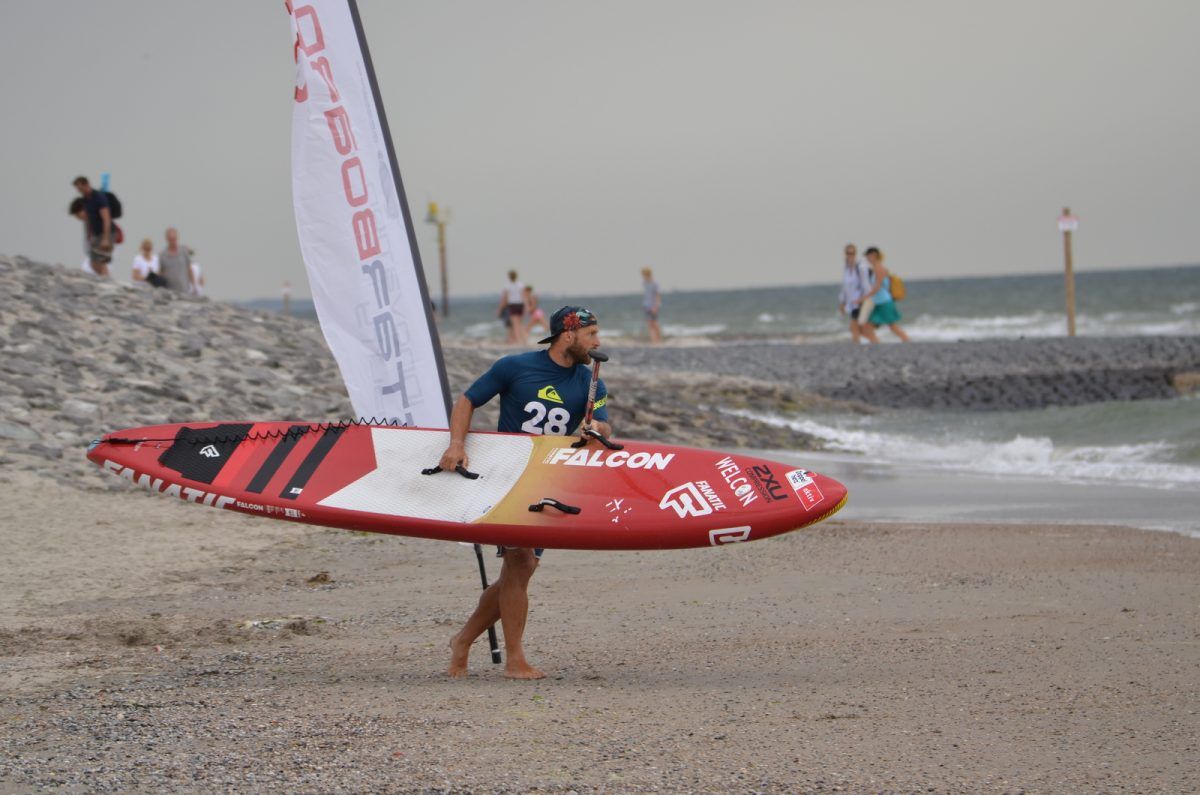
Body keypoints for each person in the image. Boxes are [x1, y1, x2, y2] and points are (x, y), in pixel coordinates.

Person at [440, 306, 613, 680]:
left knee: (519, 571)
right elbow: (467, 399)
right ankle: (515, 660)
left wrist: (596, 427)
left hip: (550, 482)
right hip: (508, 477)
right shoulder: (513, 368)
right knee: (520, 563)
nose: (597, 342)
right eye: (591, 335)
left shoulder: (593, 383)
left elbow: (605, 427)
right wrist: (456, 444)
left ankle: (462, 641)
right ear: (568, 335)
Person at [858, 247, 910, 343]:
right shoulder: (876, 268)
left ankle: (907, 341)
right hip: (879, 302)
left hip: (884, 302)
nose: (867, 258)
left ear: (874, 255)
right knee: (869, 326)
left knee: (892, 326)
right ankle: (876, 344)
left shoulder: (879, 268)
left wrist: (863, 298)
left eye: (868, 255)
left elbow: (877, 287)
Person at [71, 176, 113, 277]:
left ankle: (107, 281)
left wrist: (105, 239)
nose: (79, 191)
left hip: (104, 233)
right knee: (94, 263)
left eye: (80, 188)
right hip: (95, 234)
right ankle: (106, 279)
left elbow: (107, 218)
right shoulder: (86, 200)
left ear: (86, 184)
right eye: (78, 189)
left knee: (101, 261)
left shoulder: (98, 197)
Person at [837, 243, 873, 343]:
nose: (850, 255)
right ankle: (871, 343)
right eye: (848, 253)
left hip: (860, 302)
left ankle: (862, 345)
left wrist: (863, 299)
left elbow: (866, 285)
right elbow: (844, 287)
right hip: (852, 303)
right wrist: (842, 302)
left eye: (852, 253)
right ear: (845, 254)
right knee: (857, 328)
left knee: (855, 327)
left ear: (855, 254)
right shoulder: (847, 268)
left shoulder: (861, 267)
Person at [158, 228, 194, 293]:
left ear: (177, 238)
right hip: (169, 291)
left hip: (184, 289)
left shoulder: (184, 251)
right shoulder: (163, 254)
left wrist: (194, 285)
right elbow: (161, 272)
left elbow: (189, 269)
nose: (172, 241)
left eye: (174, 239)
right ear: (167, 239)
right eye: (170, 239)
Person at [498, 270, 526, 344]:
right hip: (520, 305)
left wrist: (500, 309)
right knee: (520, 323)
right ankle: (524, 339)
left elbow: (505, 299)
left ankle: (518, 340)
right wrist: (526, 306)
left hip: (512, 305)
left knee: (514, 324)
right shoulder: (521, 284)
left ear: (509, 276)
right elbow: (523, 296)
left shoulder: (507, 286)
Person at [641, 267, 662, 344]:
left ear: (648, 274)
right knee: (649, 324)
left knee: (655, 323)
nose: (643, 277)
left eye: (644, 275)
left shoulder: (655, 283)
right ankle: (653, 340)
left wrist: (656, 306)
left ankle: (659, 340)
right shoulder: (645, 283)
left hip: (653, 306)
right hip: (646, 305)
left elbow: (658, 295)